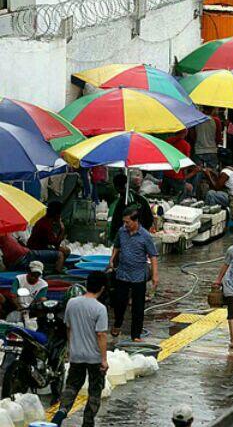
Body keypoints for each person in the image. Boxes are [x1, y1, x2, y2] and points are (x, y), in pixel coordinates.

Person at [52, 271, 108, 427]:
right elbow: (101, 335)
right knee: (95, 390)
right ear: (102, 288)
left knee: (71, 386)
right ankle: (88, 422)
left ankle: (61, 412)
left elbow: (68, 328)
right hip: (94, 357)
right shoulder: (100, 309)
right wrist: (104, 359)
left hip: (76, 355)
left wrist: (71, 349)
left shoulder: (72, 303)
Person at [109, 207, 159, 342]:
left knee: (138, 306)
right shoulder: (122, 231)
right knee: (120, 303)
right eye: (124, 222)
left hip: (138, 275)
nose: (126, 225)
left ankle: (136, 335)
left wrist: (155, 275)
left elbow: (153, 256)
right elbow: (117, 246)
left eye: (128, 222)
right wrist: (112, 259)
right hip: (123, 273)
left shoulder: (145, 236)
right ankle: (117, 323)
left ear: (135, 221)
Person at [107, 173, 154, 243]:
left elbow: (115, 223)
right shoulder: (141, 199)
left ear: (116, 187)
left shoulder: (121, 202)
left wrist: (113, 239)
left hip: (129, 240)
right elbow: (150, 219)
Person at [162, 130, 198, 200]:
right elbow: (185, 164)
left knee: (165, 198)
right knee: (180, 199)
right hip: (177, 177)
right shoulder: (185, 145)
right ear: (185, 132)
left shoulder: (167, 141)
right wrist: (193, 171)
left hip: (166, 173)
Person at [190, 106, 223, 170]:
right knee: (211, 174)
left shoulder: (196, 120)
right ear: (213, 109)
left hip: (198, 150)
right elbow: (218, 137)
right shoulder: (216, 121)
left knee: (198, 173)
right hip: (212, 150)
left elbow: (192, 136)